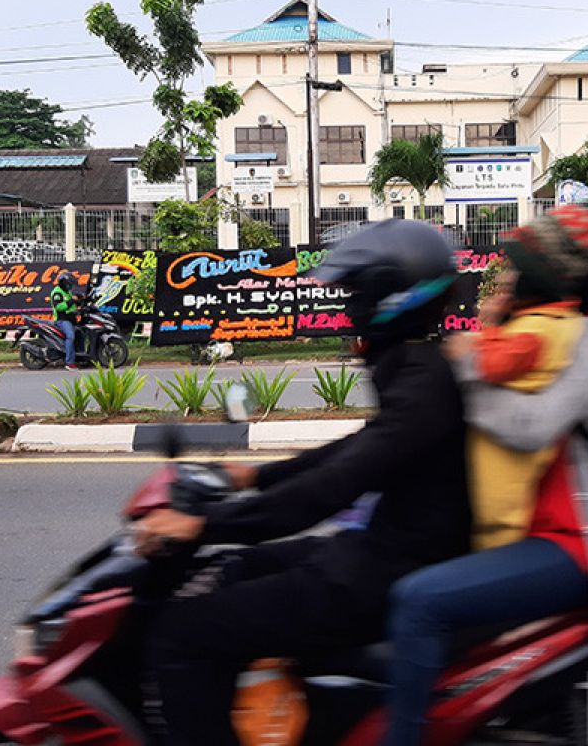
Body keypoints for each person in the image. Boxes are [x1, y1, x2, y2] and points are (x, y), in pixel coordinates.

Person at [135, 219, 471, 746]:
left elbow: (336, 485)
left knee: (181, 636)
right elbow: (359, 448)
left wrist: (203, 523)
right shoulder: (415, 367)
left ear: (392, 293)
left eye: (358, 291)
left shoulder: (423, 380)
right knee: (231, 570)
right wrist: (255, 474)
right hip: (378, 553)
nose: (349, 305)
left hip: (385, 572)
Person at [384, 205, 588, 746]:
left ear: (538, 274)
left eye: (512, 269)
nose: (502, 278)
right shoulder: (544, 332)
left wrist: (466, 368)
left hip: (580, 545)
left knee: (420, 601)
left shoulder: (586, 340)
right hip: (540, 534)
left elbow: (530, 427)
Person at [51, 272, 79, 370]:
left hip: (70, 318)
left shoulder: (68, 292)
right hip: (62, 320)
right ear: (64, 283)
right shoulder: (57, 293)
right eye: (69, 284)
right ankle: (69, 362)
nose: (70, 286)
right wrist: (72, 301)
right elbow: (59, 307)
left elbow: (72, 306)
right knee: (70, 336)